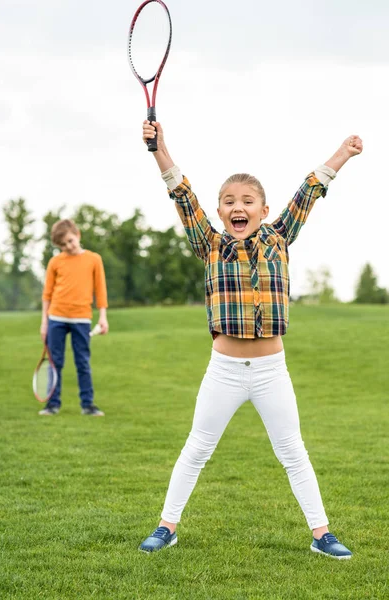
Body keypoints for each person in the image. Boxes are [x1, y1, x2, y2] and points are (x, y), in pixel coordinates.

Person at [139, 120, 363, 559]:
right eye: (228, 202)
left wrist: (343, 153)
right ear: (221, 213)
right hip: (223, 371)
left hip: (270, 372)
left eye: (246, 201)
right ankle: (167, 527)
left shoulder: (279, 239)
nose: (236, 207)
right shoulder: (210, 244)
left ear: (262, 210)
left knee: (292, 451)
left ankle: (322, 535)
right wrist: (158, 147)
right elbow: (180, 192)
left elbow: (309, 191)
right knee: (196, 449)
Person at [39, 219, 109, 416]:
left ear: (77, 234)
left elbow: (100, 291)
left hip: (82, 319)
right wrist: (44, 322)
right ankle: (52, 405)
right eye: (62, 245)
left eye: (69, 241)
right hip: (56, 318)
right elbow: (47, 294)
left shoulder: (94, 259)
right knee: (55, 362)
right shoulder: (55, 262)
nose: (68, 247)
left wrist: (103, 317)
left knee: (83, 362)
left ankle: (87, 405)